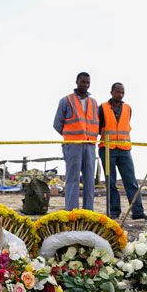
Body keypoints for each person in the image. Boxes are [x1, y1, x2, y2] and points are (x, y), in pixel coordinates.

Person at [98, 82, 147, 220]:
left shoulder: (128, 108)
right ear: (111, 92)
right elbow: (98, 128)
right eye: (117, 92)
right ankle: (114, 211)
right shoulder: (102, 108)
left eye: (122, 92)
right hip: (107, 149)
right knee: (111, 182)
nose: (120, 95)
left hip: (124, 150)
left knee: (131, 181)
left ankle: (138, 212)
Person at [53, 72, 98, 211]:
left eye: (88, 82)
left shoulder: (93, 103)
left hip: (89, 145)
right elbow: (57, 124)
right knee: (72, 179)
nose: (85, 85)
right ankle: (71, 211)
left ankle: (88, 211)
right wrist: (70, 137)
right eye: (83, 82)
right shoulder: (66, 101)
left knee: (89, 180)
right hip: (73, 145)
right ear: (77, 82)